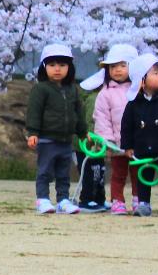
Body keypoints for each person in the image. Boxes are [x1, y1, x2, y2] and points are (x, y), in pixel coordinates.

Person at [24, 42, 86, 215]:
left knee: (63, 173)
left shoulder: (72, 89)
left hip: (66, 140)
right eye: (52, 65)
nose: (57, 69)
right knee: (44, 171)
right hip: (46, 139)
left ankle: (63, 200)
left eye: (62, 65)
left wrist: (83, 132)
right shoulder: (40, 89)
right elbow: (34, 112)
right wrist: (33, 132)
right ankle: (42, 199)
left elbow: (78, 112)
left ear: (69, 67)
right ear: (44, 67)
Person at [120, 53, 158, 216]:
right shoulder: (133, 103)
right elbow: (126, 126)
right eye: (155, 73)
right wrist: (127, 146)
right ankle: (143, 203)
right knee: (143, 178)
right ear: (142, 80)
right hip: (142, 149)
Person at [84, 42, 137, 214]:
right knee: (118, 174)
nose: (117, 70)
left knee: (138, 173)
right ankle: (117, 200)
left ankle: (139, 200)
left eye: (123, 65)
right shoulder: (105, 93)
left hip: (137, 143)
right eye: (113, 66)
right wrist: (107, 141)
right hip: (117, 143)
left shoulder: (139, 91)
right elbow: (102, 119)